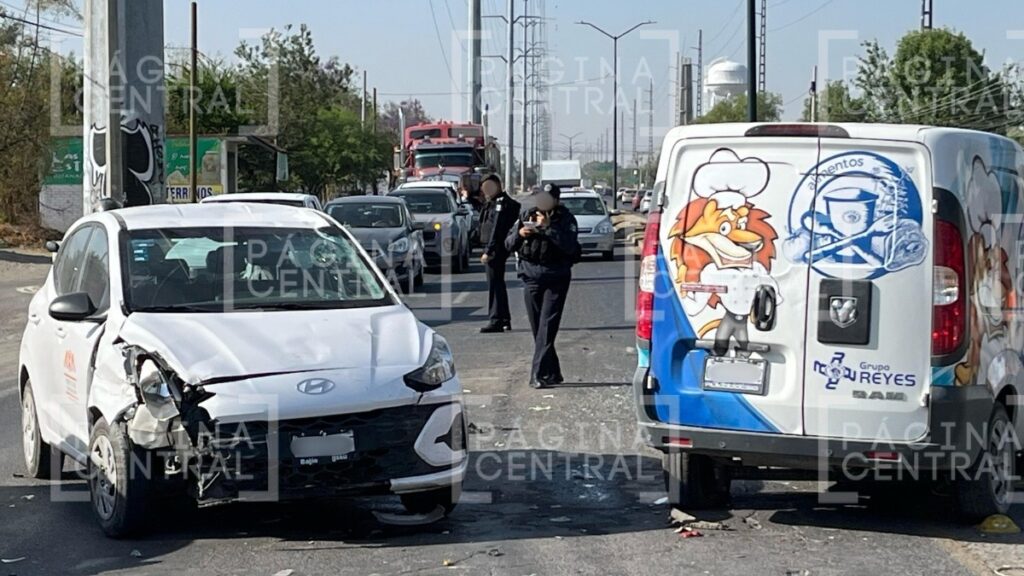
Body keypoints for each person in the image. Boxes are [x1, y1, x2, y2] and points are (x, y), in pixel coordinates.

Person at [505, 183, 581, 388]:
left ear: (556, 200)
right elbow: (508, 244)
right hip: (530, 276)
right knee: (538, 327)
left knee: (547, 326)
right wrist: (520, 234)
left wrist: (549, 228)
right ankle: (553, 372)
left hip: (556, 277)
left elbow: (570, 247)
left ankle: (537, 374)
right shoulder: (526, 215)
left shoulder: (566, 219)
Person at [478, 174, 520, 333]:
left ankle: (496, 319)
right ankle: (504, 318)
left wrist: (489, 251)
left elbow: (496, 229)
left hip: (495, 249)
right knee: (497, 283)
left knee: (494, 285)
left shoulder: (501, 204)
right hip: (493, 247)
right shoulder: (492, 202)